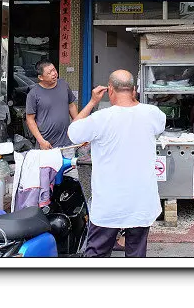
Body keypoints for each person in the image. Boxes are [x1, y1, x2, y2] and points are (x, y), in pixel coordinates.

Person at [68, 70, 165, 257]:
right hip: (141, 202)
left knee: (97, 254)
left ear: (110, 90)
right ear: (134, 90)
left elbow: (73, 132)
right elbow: (157, 123)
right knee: (136, 254)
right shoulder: (153, 114)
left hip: (109, 205)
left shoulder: (101, 118)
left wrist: (92, 102)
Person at [25, 60, 78, 149]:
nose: (54, 74)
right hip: (46, 143)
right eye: (49, 73)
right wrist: (41, 141)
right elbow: (30, 120)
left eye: (54, 70)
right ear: (40, 77)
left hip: (66, 141)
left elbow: (71, 105)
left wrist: (77, 124)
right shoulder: (34, 93)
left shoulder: (63, 85)